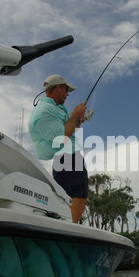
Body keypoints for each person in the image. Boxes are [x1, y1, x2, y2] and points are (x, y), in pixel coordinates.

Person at [28, 74, 88, 223]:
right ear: (58, 88)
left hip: (70, 154)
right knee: (76, 194)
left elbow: (71, 128)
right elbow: (61, 138)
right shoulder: (44, 111)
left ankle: (70, 226)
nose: (68, 94)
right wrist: (75, 115)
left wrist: (78, 120)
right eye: (66, 90)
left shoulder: (59, 108)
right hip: (65, 155)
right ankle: (70, 228)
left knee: (79, 193)